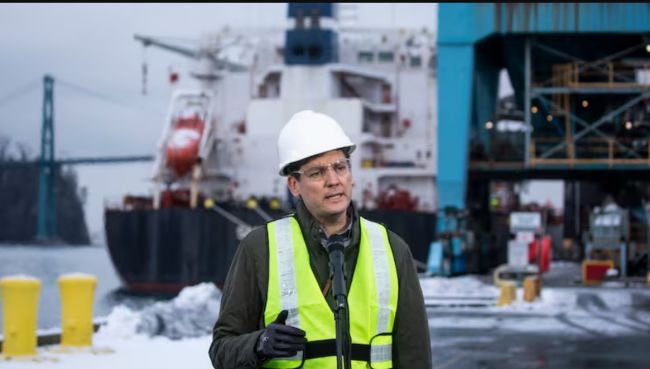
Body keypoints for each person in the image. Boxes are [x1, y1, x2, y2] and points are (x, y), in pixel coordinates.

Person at [209, 110, 431, 368]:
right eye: (316, 173)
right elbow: (221, 349)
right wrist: (257, 345)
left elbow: (415, 354)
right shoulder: (260, 249)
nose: (333, 181)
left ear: (350, 173)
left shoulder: (393, 250)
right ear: (294, 185)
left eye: (340, 167)